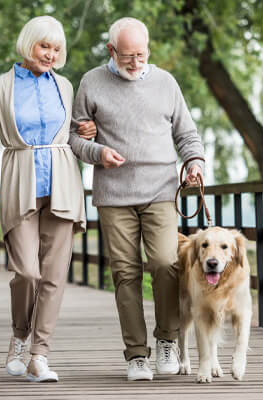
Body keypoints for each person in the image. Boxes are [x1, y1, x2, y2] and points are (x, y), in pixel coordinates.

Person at [69, 17, 205, 381]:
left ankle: (167, 340)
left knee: (165, 263)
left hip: (160, 189)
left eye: (141, 55)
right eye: (127, 56)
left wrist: (194, 162)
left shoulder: (165, 82)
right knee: (125, 272)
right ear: (112, 50)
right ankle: (136, 355)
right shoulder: (92, 82)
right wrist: (98, 153)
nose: (134, 63)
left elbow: (187, 133)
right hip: (114, 194)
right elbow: (73, 137)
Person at [0, 15, 96, 383]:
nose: (50, 54)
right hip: (19, 184)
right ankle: (18, 336)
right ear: (29, 43)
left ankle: (39, 354)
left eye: (57, 48)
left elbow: (70, 131)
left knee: (54, 275)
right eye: (44, 45)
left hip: (63, 182)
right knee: (28, 272)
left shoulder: (64, 85)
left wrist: (86, 130)